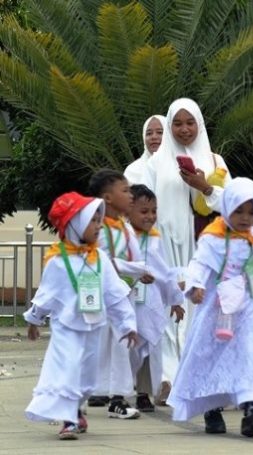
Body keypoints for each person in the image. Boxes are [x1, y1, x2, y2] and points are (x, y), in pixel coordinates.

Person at [167, 178, 253, 437]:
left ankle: (252, 410)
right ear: (226, 208)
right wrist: (195, 286)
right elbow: (199, 266)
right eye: (239, 211)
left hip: (248, 308)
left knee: (249, 353)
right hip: (218, 309)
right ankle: (212, 410)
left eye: (251, 212)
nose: (246, 218)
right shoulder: (213, 238)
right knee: (210, 356)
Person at [23, 192, 137, 440]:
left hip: (94, 326)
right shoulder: (57, 261)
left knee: (86, 376)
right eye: (92, 221)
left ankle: (76, 408)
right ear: (74, 225)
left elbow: (115, 294)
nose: (98, 226)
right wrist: (34, 320)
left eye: (99, 220)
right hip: (66, 327)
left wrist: (128, 325)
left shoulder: (101, 259)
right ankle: (69, 420)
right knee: (68, 370)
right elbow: (46, 294)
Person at [142, 98, 233, 404]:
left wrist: (203, 186)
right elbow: (143, 206)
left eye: (190, 123)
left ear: (200, 124)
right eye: (177, 123)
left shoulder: (215, 161)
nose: (184, 129)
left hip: (203, 249)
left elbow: (233, 205)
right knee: (169, 308)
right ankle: (168, 377)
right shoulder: (156, 163)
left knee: (201, 310)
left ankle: (199, 376)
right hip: (166, 247)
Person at [86, 170, 149, 419]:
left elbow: (134, 257)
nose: (130, 195)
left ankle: (118, 398)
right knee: (95, 345)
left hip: (123, 295)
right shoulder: (96, 226)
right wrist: (138, 269)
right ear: (108, 198)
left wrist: (138, 269)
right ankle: (84, 393)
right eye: (125, 191)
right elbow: (100, 262)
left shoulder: (124, 226)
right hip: (100, 297)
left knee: (122, 344)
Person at [127, 185, 185, 412]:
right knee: (123, 348)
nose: (150, 216)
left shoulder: (154, 239)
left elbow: (165, 273)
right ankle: (111, 391)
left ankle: (143, 393)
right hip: (126, 300)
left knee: (149, 347)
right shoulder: (120, 237)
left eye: (154, 211)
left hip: (150, 302)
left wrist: (175, 300)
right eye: (144, 211)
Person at [124, 115, 165, 185]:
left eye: (160, 132)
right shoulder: (133, 171)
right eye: (149, 133)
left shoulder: (179, 166)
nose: (154, 137)